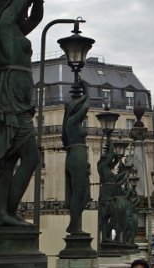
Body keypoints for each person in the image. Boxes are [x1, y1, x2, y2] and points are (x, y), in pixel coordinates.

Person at [0, 0, 43, 227]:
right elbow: (16, 10)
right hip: (8, 100)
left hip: (18, 102)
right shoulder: (2, 26)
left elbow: (36, 18)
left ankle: (7, 212)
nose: (24, 13)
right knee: (19, 159)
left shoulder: (15, 31)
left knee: (13, 159)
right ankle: (4, 212)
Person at [62, 82, 90, 234]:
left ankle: (73, 224)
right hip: (77, 155)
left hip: (78, 155)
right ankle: (74, 225)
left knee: (83, 195)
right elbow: (86, 107)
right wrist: (87, 92)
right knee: (79, 193)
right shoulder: (72, 121)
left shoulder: (72, 122)